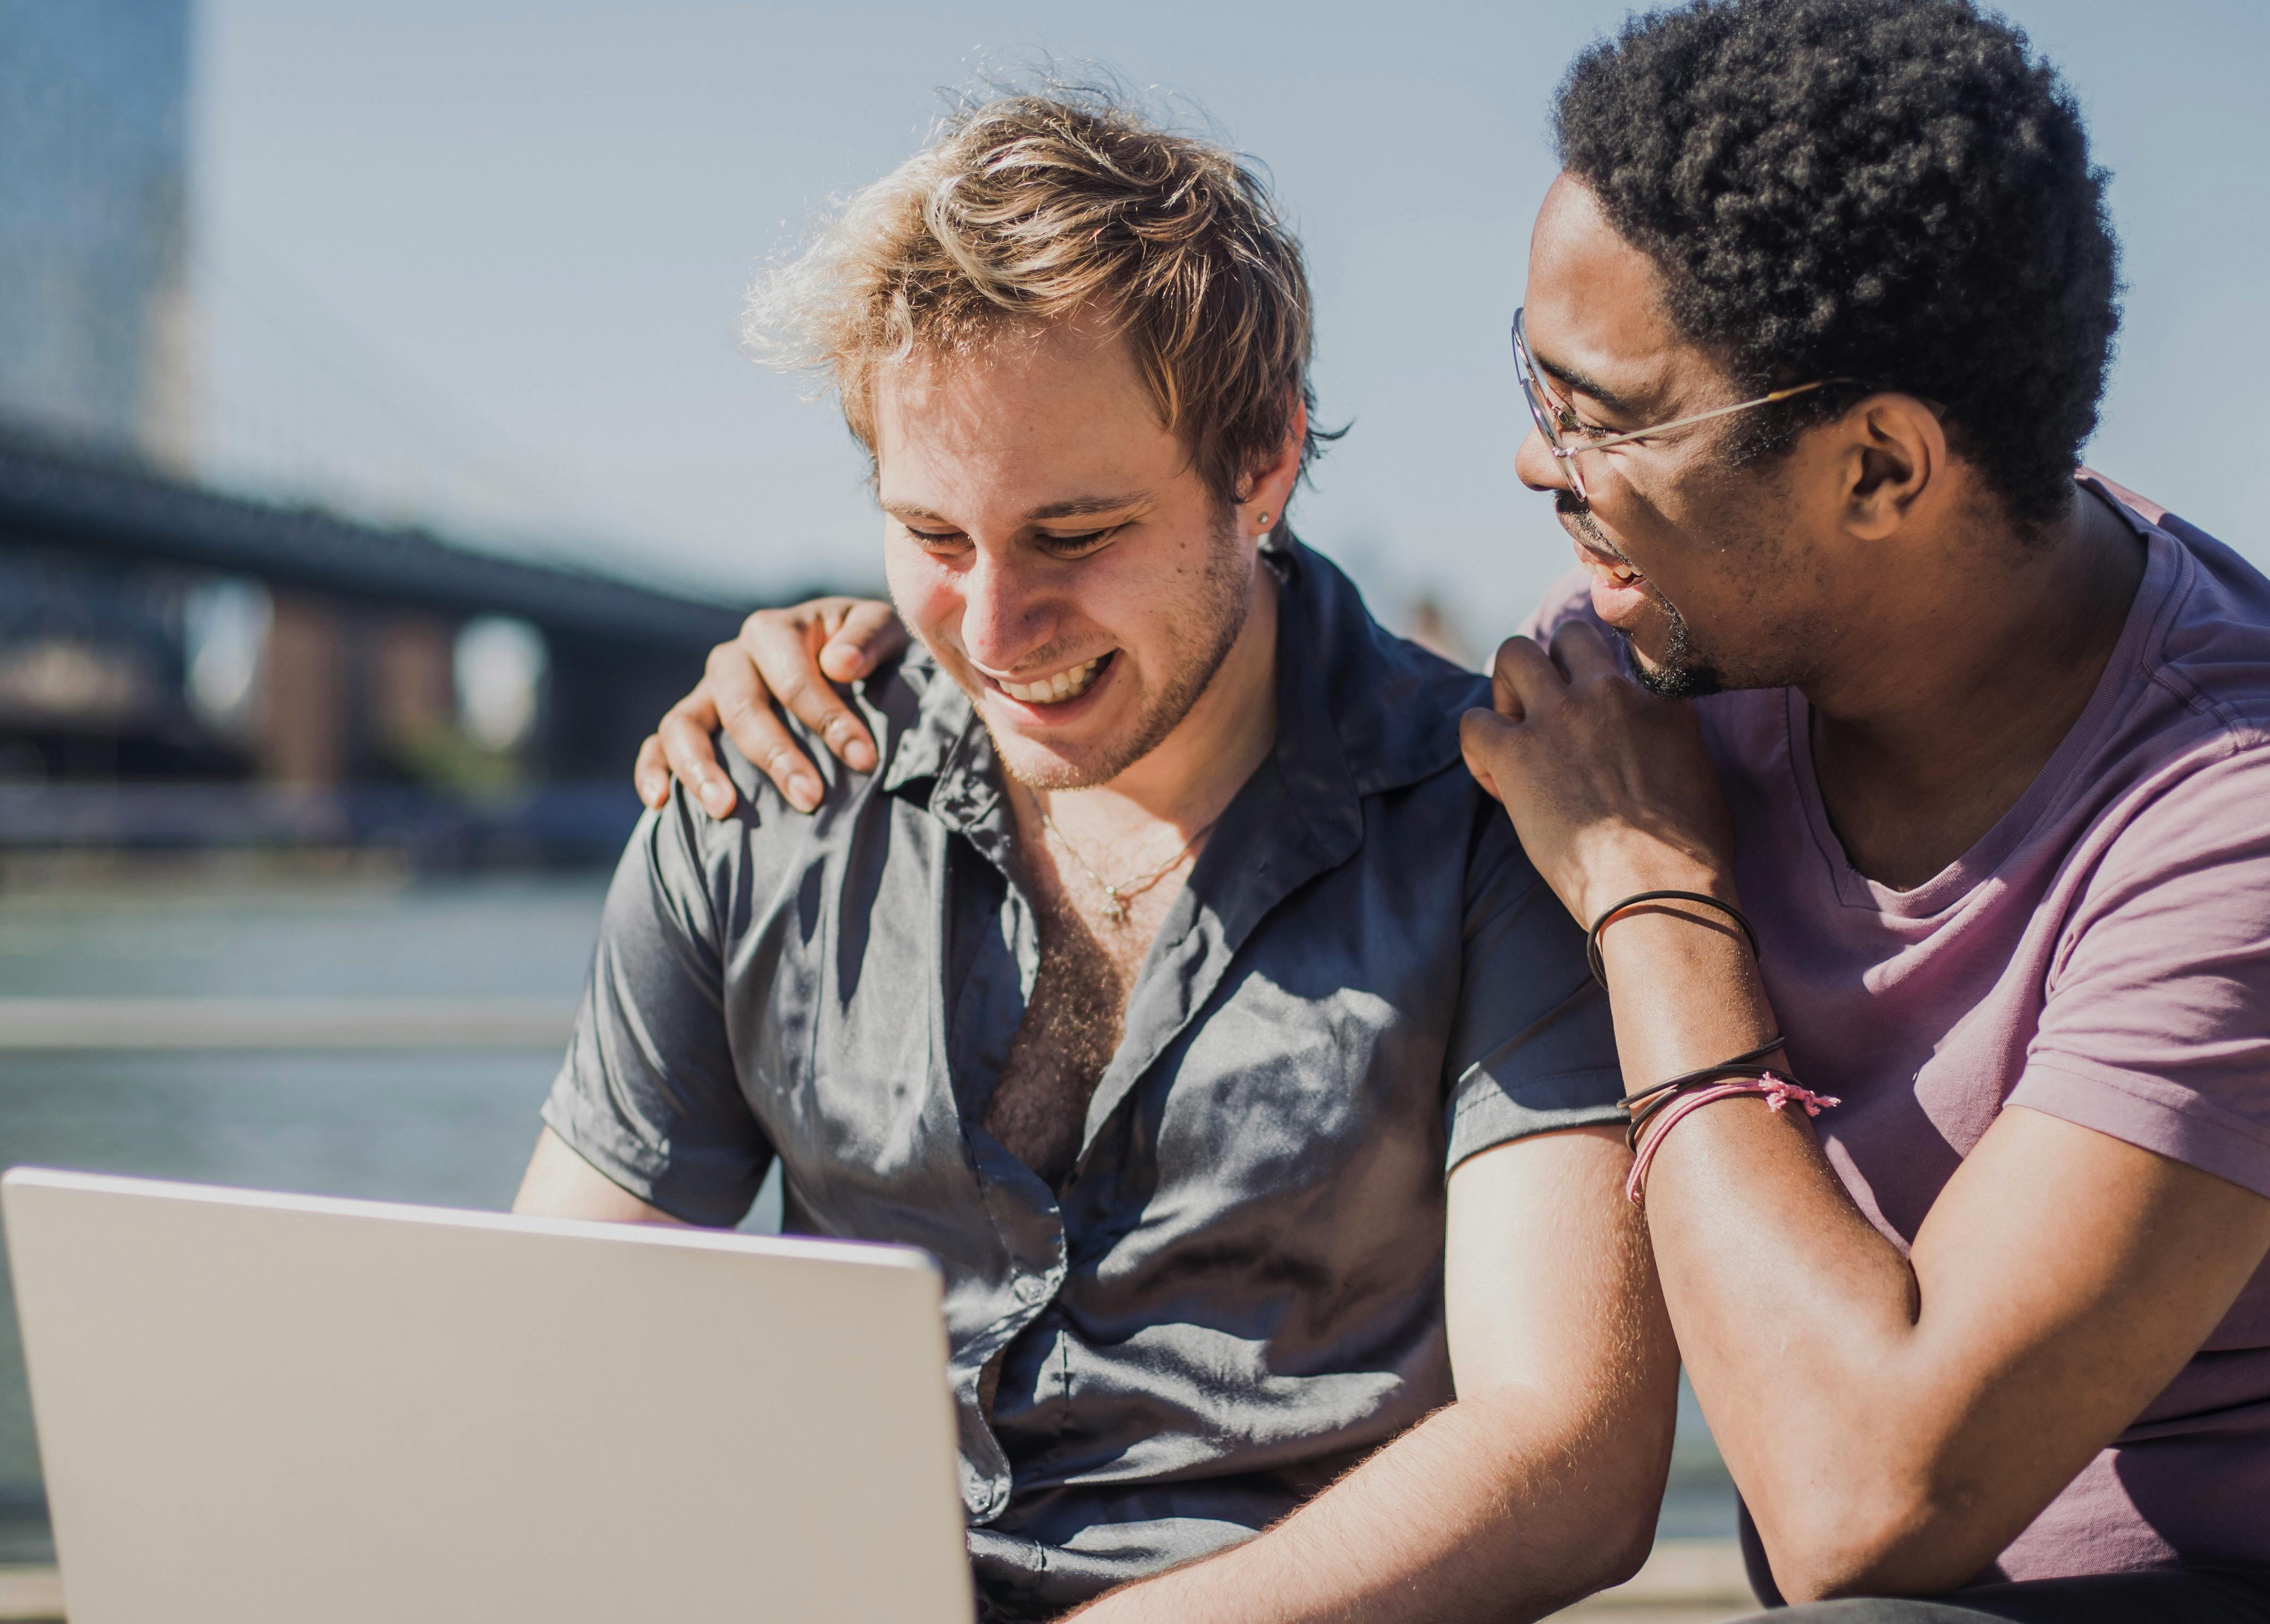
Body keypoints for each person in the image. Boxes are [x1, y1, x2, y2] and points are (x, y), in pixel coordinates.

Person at [639, 3, 2270, 1621]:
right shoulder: (1651, 643)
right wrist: (886, 644)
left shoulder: (2267, 824)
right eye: (1532, 374)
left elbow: (1867, 1504)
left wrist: (1647, 892)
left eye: (1600, 414)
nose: (1536, 460)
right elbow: (1212, 635)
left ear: (1876, 467)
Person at [516, 88, 1679, 1624]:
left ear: (1260, 464)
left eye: (1071, 537)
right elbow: (552, 1347)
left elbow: (1567, 1453)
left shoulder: (1489, 822)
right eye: (934, 539)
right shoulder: (761, 796)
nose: (994, 634)